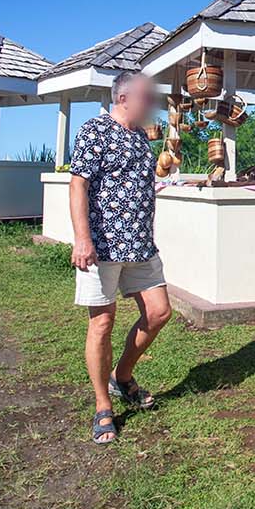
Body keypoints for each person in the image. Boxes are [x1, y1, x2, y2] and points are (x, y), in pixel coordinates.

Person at [69, 70, 174, 445]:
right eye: (147, 97)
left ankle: (122, 376)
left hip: (141, 245)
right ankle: (102, 406)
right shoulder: (94, 130)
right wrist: (82, 239)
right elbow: (78, 184)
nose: (152, 105)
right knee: (102, 323)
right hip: (102, 245)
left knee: (160, 312)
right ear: (125, 97)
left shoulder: (141, 139)